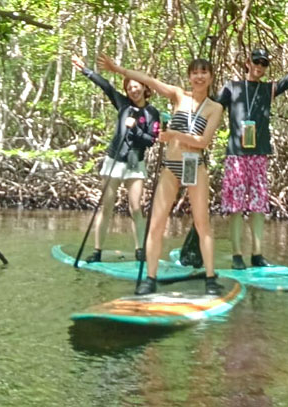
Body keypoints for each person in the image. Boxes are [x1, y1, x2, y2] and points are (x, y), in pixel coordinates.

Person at [96, 53, 224, 296]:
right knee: (156, 224)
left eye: (204, 72)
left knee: (202, 223)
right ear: (189, 76)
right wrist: (117, 69)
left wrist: (174, 135)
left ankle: (210, 278)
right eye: (195, 72)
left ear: (210, 77)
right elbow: (149, 80)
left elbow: (204, 141)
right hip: (171, 166)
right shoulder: (178, 95)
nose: (199, 77)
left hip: (195, 166)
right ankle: (150, 278)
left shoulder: (215, 108)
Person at [218, 45, 288, 269]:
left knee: (258, 206)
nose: (259, 67)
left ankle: (257, 254)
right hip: (236, 155)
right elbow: (212, 108)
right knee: (235, 207)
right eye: (256, 62)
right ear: (248, 62)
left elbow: (287, 81)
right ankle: (237, 255)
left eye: (264, 63)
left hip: (259, 155)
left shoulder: (267, 89)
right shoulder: (232, 88)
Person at [72, 54, 160, 262]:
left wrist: (136, 128)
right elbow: (106, 87)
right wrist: (86, 70)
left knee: (136, 207)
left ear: (145, 88)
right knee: (107, 206)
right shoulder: (122, 104)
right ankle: (97, 251)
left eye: (137, 86)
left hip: (135, 164)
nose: (133, 90)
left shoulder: (152, 113)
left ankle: (140, 251)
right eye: (129, 87)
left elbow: (150, 140)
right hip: (114, 162)